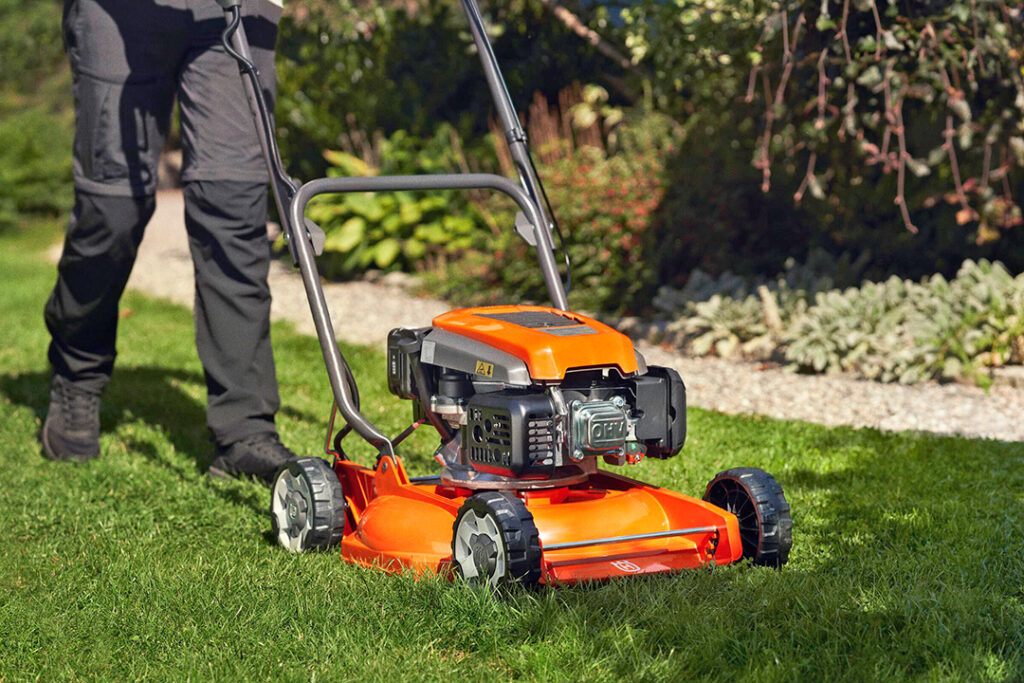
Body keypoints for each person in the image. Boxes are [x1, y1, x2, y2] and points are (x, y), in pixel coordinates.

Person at [42, 0, 296, 483]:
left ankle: (244, 428)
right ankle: (77, 370)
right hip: (122, 11)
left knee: (234, 209)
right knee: (112, 209)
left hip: (236, 12)